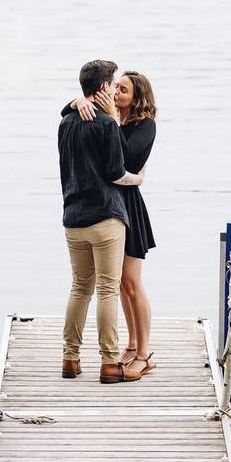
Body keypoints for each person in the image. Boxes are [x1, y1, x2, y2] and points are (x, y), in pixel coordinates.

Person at [63, 71, 158, 375]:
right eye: (115, 87)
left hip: (127, 203)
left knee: (131, 281)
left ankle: (144, 352)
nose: (116, 92)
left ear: (137, 97)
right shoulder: (102, 117)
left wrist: (111, 119)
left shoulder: (145, 126)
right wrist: (76, 102)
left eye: (124, 90)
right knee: (115, 284)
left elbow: (127, 158)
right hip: (108, 202)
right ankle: (129, 345)